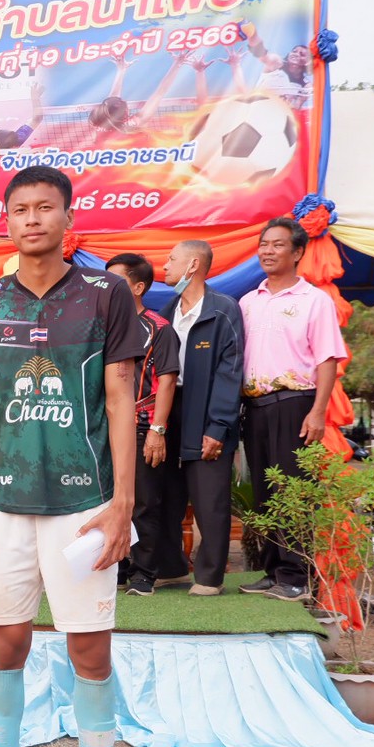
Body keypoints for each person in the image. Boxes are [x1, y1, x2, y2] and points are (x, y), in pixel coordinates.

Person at [0, 166, 156, 747]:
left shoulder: (105, 295)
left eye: (45, 208)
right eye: (20, 209)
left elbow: (122, 397)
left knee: (89, 650)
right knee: (4, 644)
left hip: (84, 506)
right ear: (5, 221)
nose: (32, 219)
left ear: (69, 218)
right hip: (3, 504)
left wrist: (122, 502)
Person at [239, 217, 347, 601]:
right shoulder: (247, 302)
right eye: (264, 244)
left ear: (298, 252)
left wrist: (317, 412)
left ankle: (297, 577)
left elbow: (327, 360)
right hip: (254, 406)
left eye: (278, 244)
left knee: (293, 490)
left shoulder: (314, 300)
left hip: (295, 403)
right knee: (265, 491)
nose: (267, 251)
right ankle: (273, 571)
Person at [158, 240, 245, 596]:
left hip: (208, 408)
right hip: (169, 407)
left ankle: (210, 576)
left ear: (193, 265)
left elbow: (230, 371)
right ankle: (171, 567)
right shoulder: (167, 310)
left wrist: (218, 426)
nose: (164, 265)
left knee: (209, 498)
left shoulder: (224, 310)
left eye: (171, 259)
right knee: (165, 493)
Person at [103, 254, 180, 596]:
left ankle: (144, 573)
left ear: (137, 287)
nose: (107, 287)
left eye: (115, 280)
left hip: (141, 425)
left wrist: (157, 430)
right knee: (106, 501)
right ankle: (115, 568)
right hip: (102, 429)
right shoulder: (99, 325)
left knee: (143, 502)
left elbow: (167, 381)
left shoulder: (159, 328)